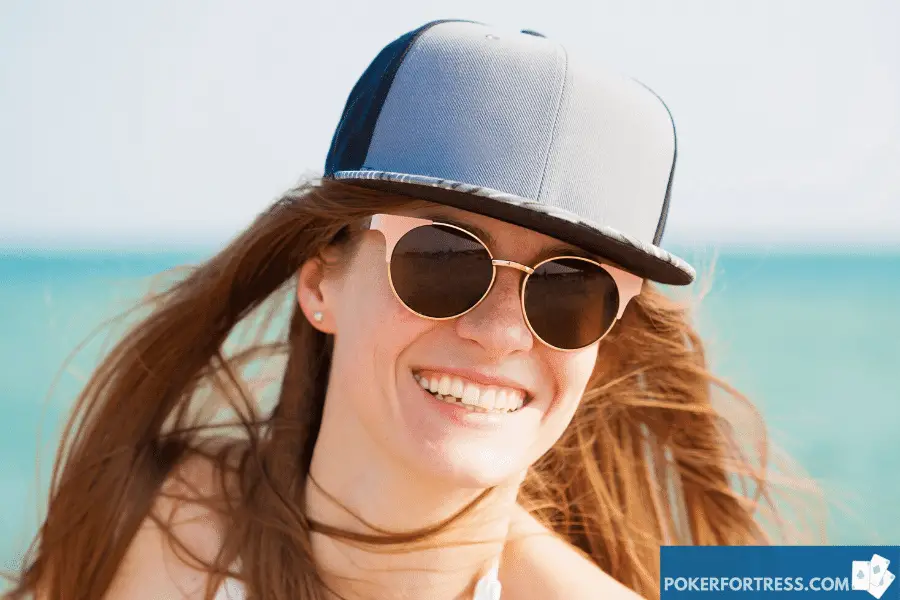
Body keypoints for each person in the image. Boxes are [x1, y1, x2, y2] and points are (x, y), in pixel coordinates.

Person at [6, 19, 805, 600]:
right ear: (320, 280)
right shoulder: (149, 521)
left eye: (570, 291)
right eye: (443, 259)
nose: (497, 333)